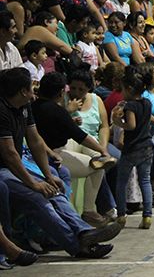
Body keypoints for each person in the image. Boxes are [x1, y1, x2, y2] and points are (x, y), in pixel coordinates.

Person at [0, 67, 121, 258]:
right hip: (4, 169)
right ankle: (79, 246)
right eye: (31, 88)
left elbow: (36, 141)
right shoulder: (2, 111)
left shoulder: (24, 107)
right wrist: (34, 183)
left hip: (18, 164)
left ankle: (84, 232)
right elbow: (9, 154)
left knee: (54, 188)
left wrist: (47, 176)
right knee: (38, 198)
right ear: (23, 91)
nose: (34, 93)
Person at [32, 72, 116, 227]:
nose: (75, 92)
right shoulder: (57, 111)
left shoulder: (32, 107)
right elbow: (80, 136)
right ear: (61, 92)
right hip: (56, 154)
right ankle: (89, 210)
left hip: (45, 154)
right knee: (98, 165)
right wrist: (103, 151)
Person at [112, 66, 154, 229]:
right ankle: (148, 215)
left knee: (121, 182)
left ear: (129, 89)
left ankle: (121, 214)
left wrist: (117, 122)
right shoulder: (147, 103)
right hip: (147, 146)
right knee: (145, 180)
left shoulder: (130, 105)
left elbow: (131, 125)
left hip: (132, 148)